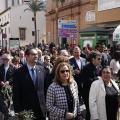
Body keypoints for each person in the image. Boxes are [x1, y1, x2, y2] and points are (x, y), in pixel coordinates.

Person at [13, 48, 46, 120]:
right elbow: (16, 94)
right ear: (26, 56)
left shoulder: (42, 69)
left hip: (41, 110)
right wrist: (17, 113)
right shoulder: (18, 72)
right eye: (33, 54)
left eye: (36, 54)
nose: (36, 56)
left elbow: (45, 89)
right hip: (26, 111)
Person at [81, 51, 102, 120]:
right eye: (98, 59)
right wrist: (96, 79)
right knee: (90, 111)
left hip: (97, 93)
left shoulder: (98, 66)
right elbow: (84, 80)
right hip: (88, 93)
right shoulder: (86, 67)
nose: (100, 60)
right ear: (93, 59)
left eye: (100, 59)